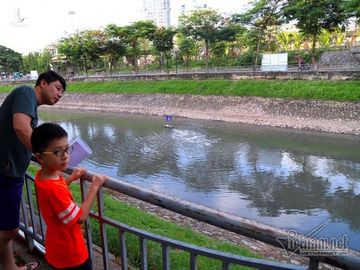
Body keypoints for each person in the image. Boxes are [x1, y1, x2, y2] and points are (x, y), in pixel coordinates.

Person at [0, 70, 66, 270]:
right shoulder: (25, 93)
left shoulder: (31, 106)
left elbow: (22, 135)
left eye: (62, 92)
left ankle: (10, 267)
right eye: (58, 88)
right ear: (43, 83)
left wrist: (39, 154)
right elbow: (21, 127)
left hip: (10, 171)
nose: (60, 94)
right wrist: (46, 159)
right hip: (5, 172)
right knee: (10, 231)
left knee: (4, 227)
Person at [31, 123, 107, 269]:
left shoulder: (42, 176)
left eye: (67, 148)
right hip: (71, 255)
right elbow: (80, 218)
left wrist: (71, 178)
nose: (66, 156)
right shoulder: (54, 189)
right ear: (40, 158)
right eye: (57, 152)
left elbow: (54, 194)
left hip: (56, 248)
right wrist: (95, 186)